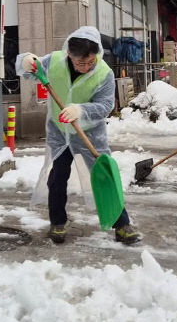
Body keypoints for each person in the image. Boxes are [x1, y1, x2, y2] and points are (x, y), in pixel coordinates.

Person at [16, 26, 140, 245]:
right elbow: (28, 70)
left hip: (90, 133)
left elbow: (105, 105)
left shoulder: (104, 73)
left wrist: (80, 110)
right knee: (57, 177)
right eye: (79, 63)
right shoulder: (53, 61)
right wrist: (26, 60)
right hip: (61, 134)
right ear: (68, 55)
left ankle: (122, 225)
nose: (85, 67)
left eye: (89, 62)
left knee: (105, 177)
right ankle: (57, 223)